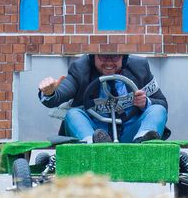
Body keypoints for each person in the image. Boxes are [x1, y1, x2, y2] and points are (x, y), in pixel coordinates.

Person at [38, 53, 169, 144]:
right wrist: (49, 93)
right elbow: (58, 96)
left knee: (158, 109)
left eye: (115, 56)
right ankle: (93, 146)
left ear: (123, 58)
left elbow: (162, 103)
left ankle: (144, 142)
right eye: (103, 56)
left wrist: (145, 103)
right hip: (94, 131)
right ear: (93, 57)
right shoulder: (80, 69)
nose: (109, 62)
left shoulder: (140, 67)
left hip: (130, 132)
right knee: (73, 114)